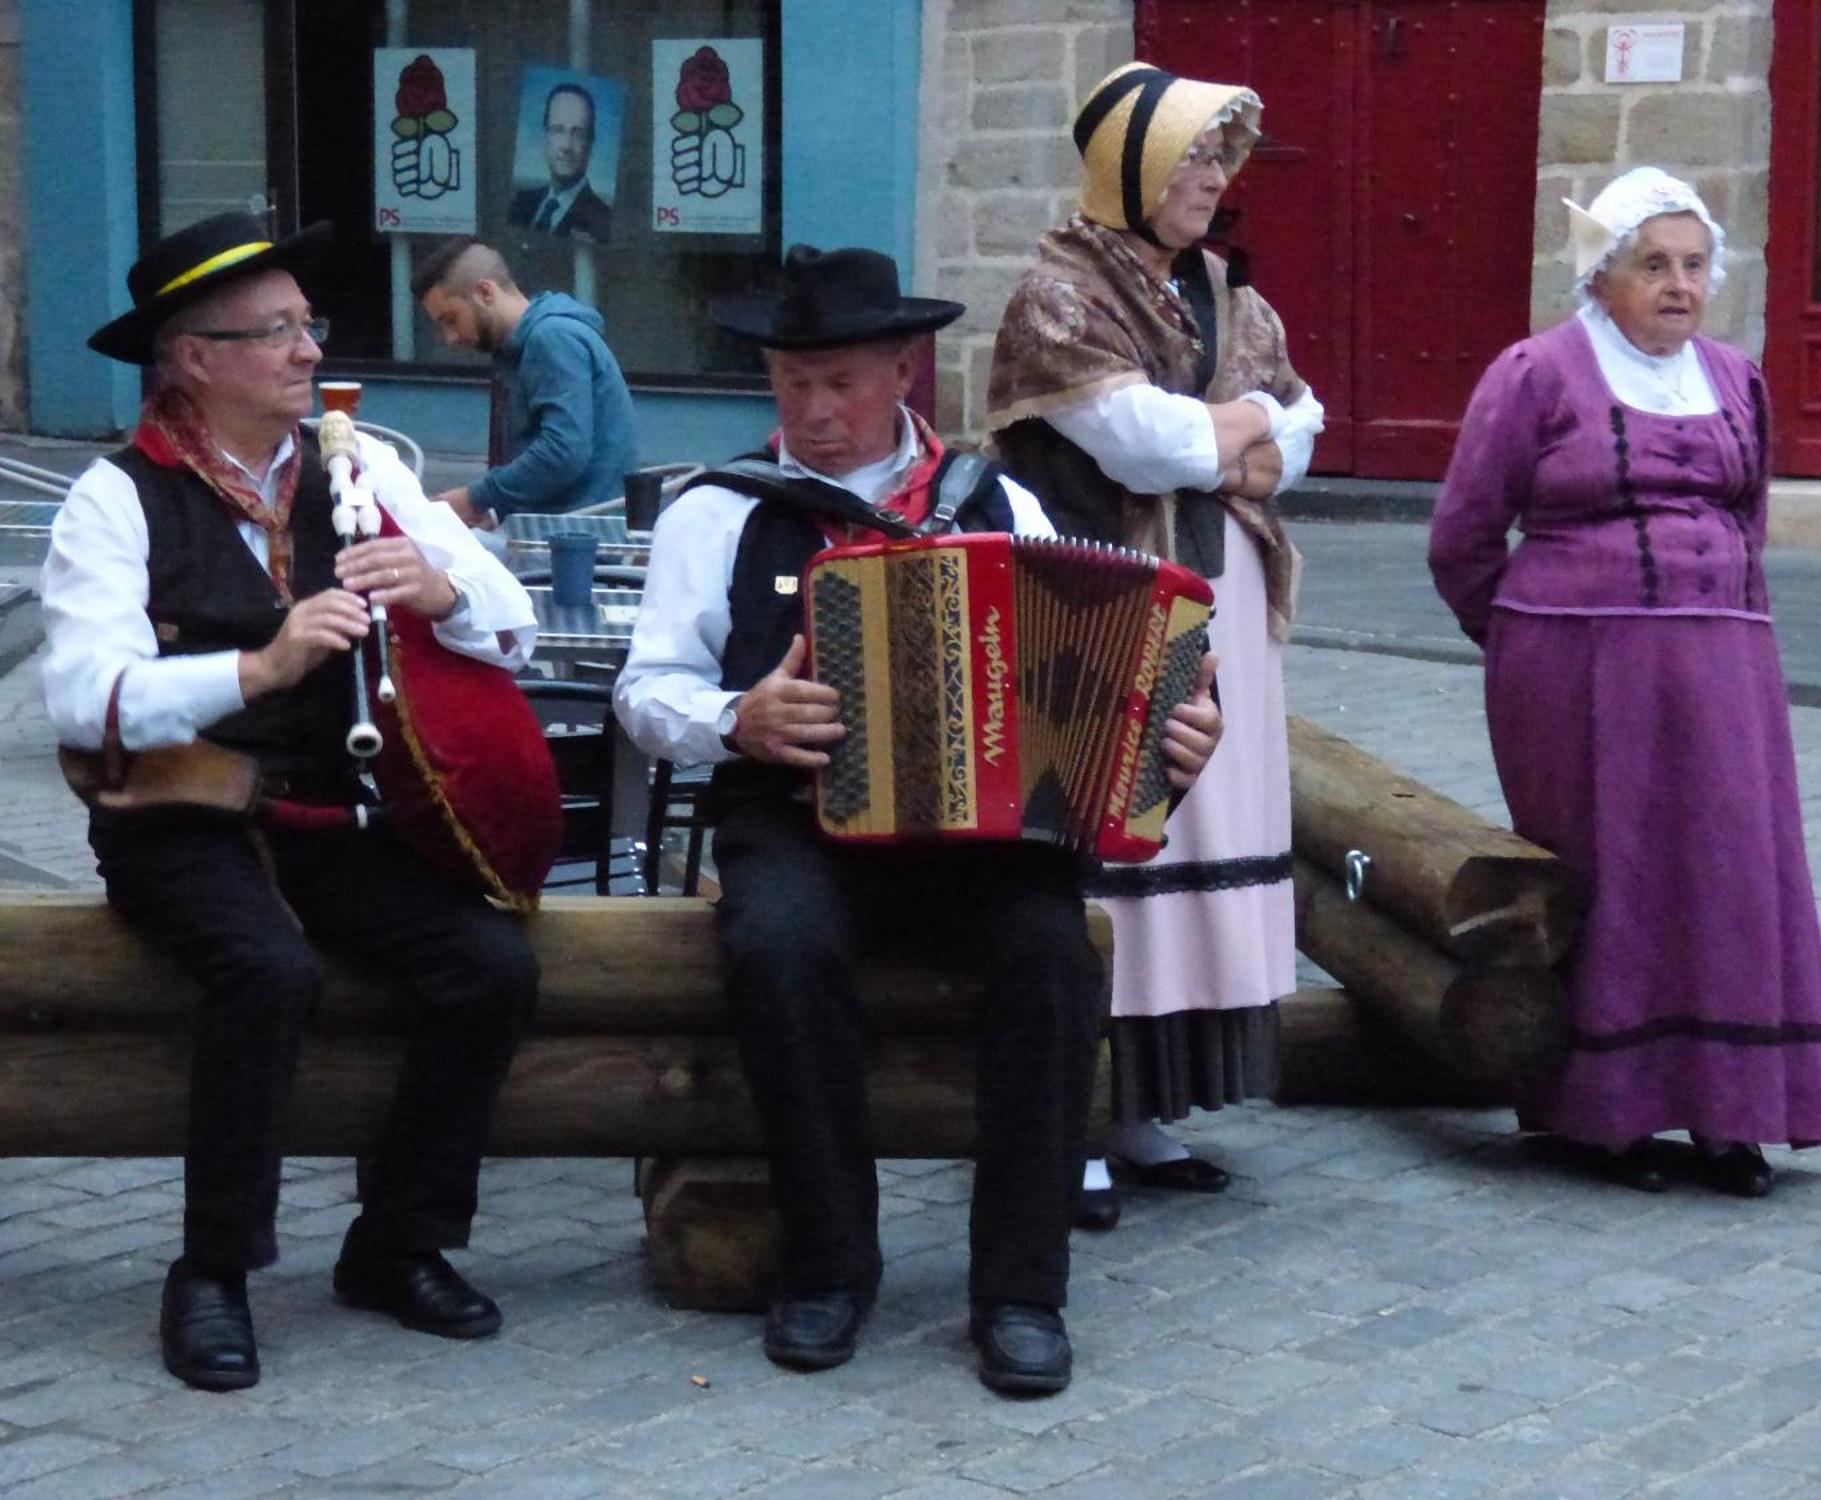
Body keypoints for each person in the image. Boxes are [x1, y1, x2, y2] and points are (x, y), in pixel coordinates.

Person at [614, 244, 1223, 1395]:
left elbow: (1111, 675)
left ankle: (1021, 1291)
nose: (812, 410)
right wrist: (736, 718)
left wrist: (1171, 746)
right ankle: (828, 1265)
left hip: (976, 837)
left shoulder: (1001, 504)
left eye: (838, 381)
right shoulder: (722, 510)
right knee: (777, 947)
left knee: (1051, 956)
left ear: (904, 369)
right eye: (790, 383)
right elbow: (645, 693)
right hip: (793, 818)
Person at [44, 212, 541, 1391]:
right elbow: (78, 699)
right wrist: (258, 669)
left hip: (331, 806)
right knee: (268, 972)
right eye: (274, 333)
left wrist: (436, 588)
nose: (311, 352)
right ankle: (212, 1270)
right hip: (183, 811)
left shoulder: (357, 466)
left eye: (305, 326)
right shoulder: (116, 500)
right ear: (195, 359)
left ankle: (396, 1243)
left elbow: (512, 622)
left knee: (490, 967)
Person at [1427, 168, 1821, 1195]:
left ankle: (1728, 1112)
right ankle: (1601, 1118)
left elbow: (1744, 518)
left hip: (1722, 670)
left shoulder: (1735, 378)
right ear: (1602, 276)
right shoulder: (1534, 374)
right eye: (1652, 266)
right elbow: (1462, 539)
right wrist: (1539, 641)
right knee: (1610, 878)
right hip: (1574, 673)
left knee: (1727, 874)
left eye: (1693, 265)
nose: (1677, 286)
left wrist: (1711, 622)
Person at [986, 63, 1323, 1229]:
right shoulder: (1056, 293)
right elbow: (1137, 443)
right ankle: (1067, 1126)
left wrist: (1230, 440)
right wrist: (1240, 437)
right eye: (1190, 154)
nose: (1213, 176)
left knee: (1193, 859)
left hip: (1218, 601)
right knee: (1108, 846)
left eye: (1221, 155)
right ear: (1122, 164)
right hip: (1101, 603)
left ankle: (1141, 1110)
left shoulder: (1224, 293)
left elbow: (1303, 429)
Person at [413, 236, 635, 528]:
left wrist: (475, 498)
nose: (450, 338)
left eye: (451, 319)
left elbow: (563, 453)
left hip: (575, 538)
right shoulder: (528, 344)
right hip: (558, 525)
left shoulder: (551, 339)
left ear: (485, 292)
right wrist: (495, 509)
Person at [506, 81, 614, 244]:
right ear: (545, 136)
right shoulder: (519, 203)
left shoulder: (605, 225)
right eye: (558, 130)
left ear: (591, 143)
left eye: (578, 133)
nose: (566, 146)